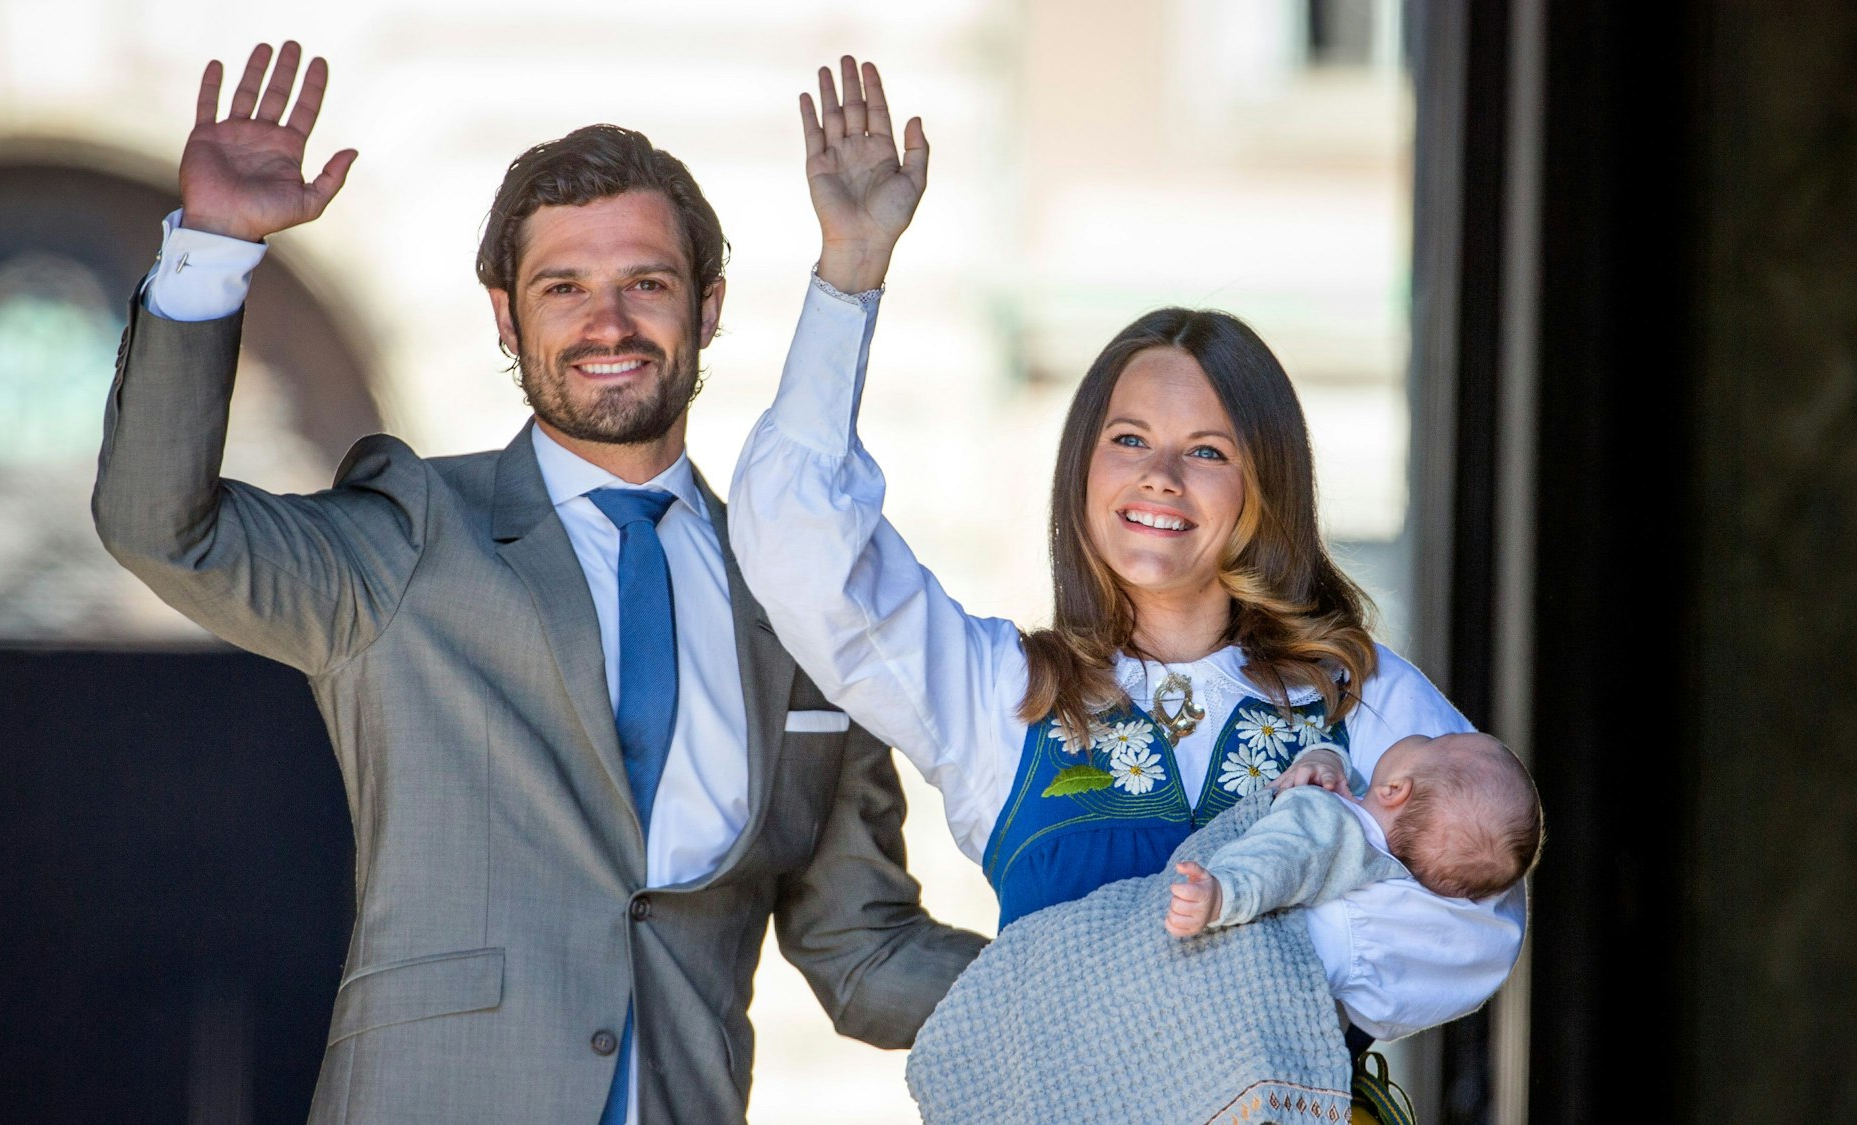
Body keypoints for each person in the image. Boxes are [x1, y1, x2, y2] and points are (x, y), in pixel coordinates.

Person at [92, 42, 983, 1125]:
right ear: (507, 319)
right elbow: (157, 530)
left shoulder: (801, 589)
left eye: (643, 284)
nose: (606, 325)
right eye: (564, 288)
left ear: (704, 308)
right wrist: (217, 246)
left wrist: (1107, 974)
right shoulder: (411, 534)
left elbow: (860, 945)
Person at [729, 58, 1528, 1048]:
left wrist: (1208, 974)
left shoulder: (1357, 696)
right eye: (1127, 440)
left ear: (1261, 488)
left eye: (1205, 451)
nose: (1159, 476)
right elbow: (802, 553)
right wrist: (849, 273)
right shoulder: (999, 694)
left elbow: (1470, 916)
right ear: (1081, 472)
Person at [1167, 732, 1544, 938]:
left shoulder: (1328, 828)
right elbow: (1345, 782)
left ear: (1395, 790)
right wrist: (1325, 761)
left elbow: (1279, 860)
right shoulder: (1376, 853)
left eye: (1432, 742)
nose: (1422, 735)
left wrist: (1222, 894)